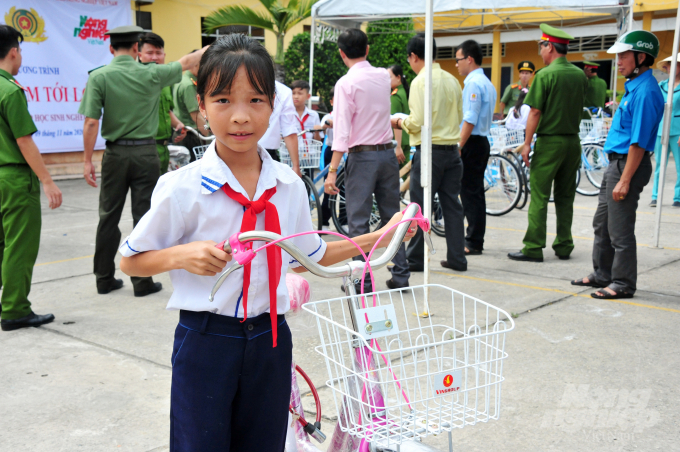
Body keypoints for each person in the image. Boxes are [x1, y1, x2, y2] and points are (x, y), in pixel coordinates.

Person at [117, 34, 415, 451]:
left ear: (274, 107)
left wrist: (381, 235)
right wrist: (180, 256)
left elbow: (309, 254)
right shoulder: (181, 189)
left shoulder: (288, 186)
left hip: (271, 341)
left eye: (256, 101)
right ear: (201, 107)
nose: (240, 117)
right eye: (223, 101)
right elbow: (130, 260)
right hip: (206, 340)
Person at [79, 25, 206, 296]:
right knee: (144, 216)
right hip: (146, 153)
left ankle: (103, 279)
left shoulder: (99, 77)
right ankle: (142, 282)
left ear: (111, 49)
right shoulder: (152, 74)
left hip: (114, 154)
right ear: (137, 48)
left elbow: (91, 122)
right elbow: (191, 60)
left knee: (108, 216)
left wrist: (87, 160)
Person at [572, 31, 664, 299]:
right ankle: (603, 273)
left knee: (620, 230)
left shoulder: (646, 92)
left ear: (641, 57)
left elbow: (638, 143)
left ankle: (623, 283)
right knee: (602, 223)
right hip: (616, 163)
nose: (618, 61)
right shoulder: (634, 86)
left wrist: (624, 179)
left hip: (628, 165)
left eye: (623, 55)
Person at [324, 28, 410, 292]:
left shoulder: (346, 84)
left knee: (358, 221)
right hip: (386, 153)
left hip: (362, 157)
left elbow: (341, 133)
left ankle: (363, 280)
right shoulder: (383, 77)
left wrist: (332, 170)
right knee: (392, 216)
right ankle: (401, 275)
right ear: (368, 49)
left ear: (341, 53)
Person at [0, 25, 62, 331]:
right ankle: (14, 309)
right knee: (19, 245)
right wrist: (47, 180)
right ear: (14, 52)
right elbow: (24, 140)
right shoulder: (10, 90)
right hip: (12, 178)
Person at [508, 24, 587, 263]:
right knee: (565, 196)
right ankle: (564, 245)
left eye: (541, 47)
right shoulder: (579, 74)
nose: (540, 52)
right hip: (573, 142)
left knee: (540, 195)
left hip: (550, 142)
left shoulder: (545, 75)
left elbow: (534, 113)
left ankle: (533, 247)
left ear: (549, 46)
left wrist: (527, 144)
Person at [391, 34, 467, 272]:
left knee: (418, 207)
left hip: (429, 152)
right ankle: (457, 258)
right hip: (452, 151)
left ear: (413, 56)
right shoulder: (452, 80)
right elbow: (459, 115)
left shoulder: (419, 82)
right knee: (452, 206)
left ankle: (415, 260)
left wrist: (399, 122)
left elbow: (416, 122)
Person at [455, 40, 497, 256]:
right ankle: (474, 239)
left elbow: (470, 118)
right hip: (481, 141)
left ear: (469, 59)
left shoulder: (473, 83)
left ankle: (472, 241)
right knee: (475, 193)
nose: (456, 64)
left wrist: (459, 145)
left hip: (472, 140)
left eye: (458, 59)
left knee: (470, 193)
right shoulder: (487, 82)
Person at [138, 32, 186, 174]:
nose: (154, 57)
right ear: (139, 55)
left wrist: (178, 124)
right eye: (149, 53)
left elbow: (166, 110)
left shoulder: (166, 81)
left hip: (164, 147)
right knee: (147, 193)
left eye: (158, 53)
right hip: (145, 148)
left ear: (164, 55)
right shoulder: (135, 80)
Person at [650, 54, 680, 208]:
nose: (671, 67)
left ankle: (678, 197)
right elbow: (656, 108)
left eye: (675, 64)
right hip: (661, 130)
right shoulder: (661, 86)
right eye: (668, 65)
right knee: (660, 166)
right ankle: (655, 196)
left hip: (678, 131)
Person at [258, 80, 301, 175]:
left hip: (231, 151)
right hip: (267, 154)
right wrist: (296, 166)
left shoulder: (233, 80)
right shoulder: (282, 91)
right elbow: (289, 130)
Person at [173, 50, 208, 162]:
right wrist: (208, 134)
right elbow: (196, 116)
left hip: (183, 133)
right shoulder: (188, 85)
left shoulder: (182, 80)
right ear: (195, 64)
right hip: (190, 135)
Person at [387, 64, 411, 167]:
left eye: (390, 77)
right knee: (406, 174)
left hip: (399, 142)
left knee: (399, 175)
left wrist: (398, 146)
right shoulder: (405, 92)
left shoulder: (395, 96)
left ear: (398, 77)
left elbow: (395, 121)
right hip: (407, 138)